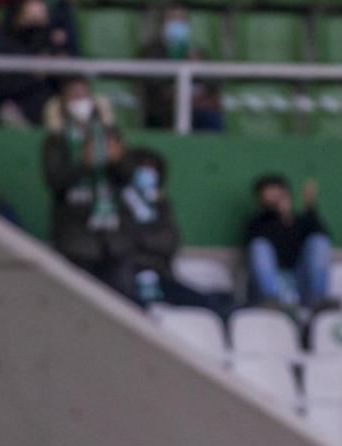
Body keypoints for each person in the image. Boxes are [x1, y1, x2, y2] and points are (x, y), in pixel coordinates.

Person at [42, 78, 131, 295]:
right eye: (74, 95)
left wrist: (117, 162)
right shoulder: (56, 140)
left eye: (85, 95)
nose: (80, 100)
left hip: (113, 237)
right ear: (62, 103)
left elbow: (126, 178)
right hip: (76, 238)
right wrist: (84, 165)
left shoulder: (111, 135)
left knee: (123, 299)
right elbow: (55, 181)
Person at [122, 150, 230, 319]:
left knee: (215, 304)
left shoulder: (161, 205)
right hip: (128, 280)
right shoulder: (118, 202)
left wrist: (146, 240)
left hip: (161, 277)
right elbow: (125, 240)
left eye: (152, 169)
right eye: (142, 168)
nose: (148, 174)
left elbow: (171, 242)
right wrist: (150, 241)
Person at [243, 173, 332, 318]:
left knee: (318, 242)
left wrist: (309, 209)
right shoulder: (257, 223)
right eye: (268, 192)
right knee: (259, 246)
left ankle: (318, 301)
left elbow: (321, 235)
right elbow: (260, 250)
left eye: (277, 191)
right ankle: (270, 300)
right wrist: (277, 216)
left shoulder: (302, 221)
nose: (274, 196)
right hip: (271, 284)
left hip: (300, 281)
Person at [0, 0, 67, 127]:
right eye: (32, 16)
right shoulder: (1, 43)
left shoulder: (50, 43)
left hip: (47, 110)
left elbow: (67, 82)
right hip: (15, 107)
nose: (37, 24)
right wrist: (33, 73)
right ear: (19, 15)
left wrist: (60, 62)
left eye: (41, 16)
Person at [140, 4, 224, 132]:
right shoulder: (152, 51)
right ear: (163, 23)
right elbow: (153, 84)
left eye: (182, 20)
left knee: (211, 117)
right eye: (173, 19)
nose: (178, 24)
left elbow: (215, 83)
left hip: (198, 106)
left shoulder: (197, 52)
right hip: (164, 109)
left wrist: (199, 67)